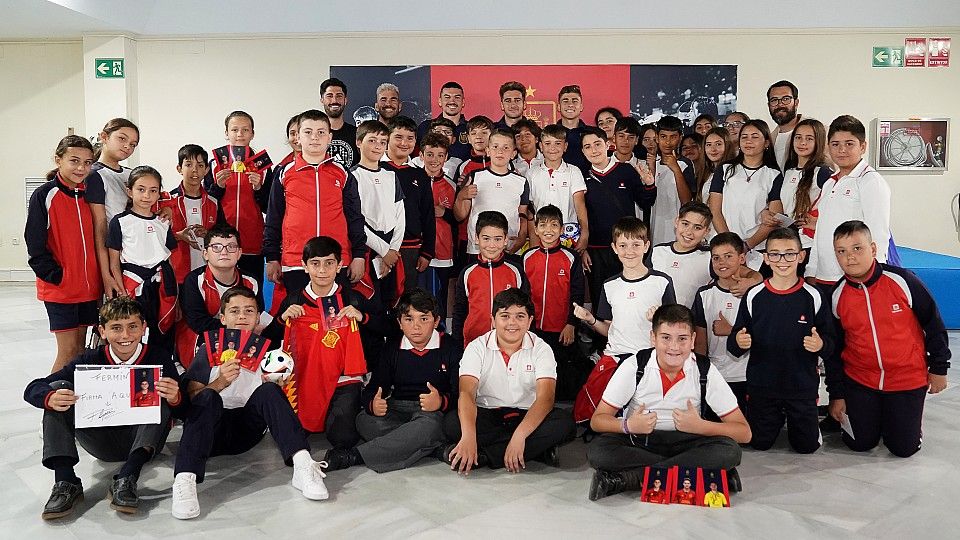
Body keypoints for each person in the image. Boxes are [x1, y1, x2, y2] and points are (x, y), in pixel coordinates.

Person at [172, 287, 329, 519]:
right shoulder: (208, 348)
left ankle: (303, 464)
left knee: (269, 391)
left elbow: (276, 394)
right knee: (208, 396)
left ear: (258, 318)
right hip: (210, 432)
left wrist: (281, 385)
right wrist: (221, 382)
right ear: (223, 318)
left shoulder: (267, 350)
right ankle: (185, 478)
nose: (242, 316)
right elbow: (191, 401)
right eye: (235, 311)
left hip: (247, 431)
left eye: (249, 311)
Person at [24, 297, 185, 518]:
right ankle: (65, 480)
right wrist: (49, 397)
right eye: (116, 328)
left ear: (144, 328)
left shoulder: (158, 358)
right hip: (98, 440)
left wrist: (176, 397)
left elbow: (183, 410)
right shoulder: (90, 359)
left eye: (133, 327)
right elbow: (33, 388)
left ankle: (127, 478)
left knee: (162, 395)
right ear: (102, 331)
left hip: (142, 442)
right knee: (57, 388)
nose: (125, 336)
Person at [585, 304, 751, 501]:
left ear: (693, 340)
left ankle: (630, 479)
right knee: (598, 451)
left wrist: (701, 426)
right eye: (666, 337)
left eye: (682, 339)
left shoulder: (705, 369)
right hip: (640, 442)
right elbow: (598, 420)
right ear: (653, 338)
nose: (674, 347)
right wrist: (628, 425)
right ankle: (701, 474)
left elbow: (744, 433)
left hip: (689, 441)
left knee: (729, 451)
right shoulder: (634, 366)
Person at [826, 220, 950, 458]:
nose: (849, 257)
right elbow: (835, 350)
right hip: (860, 380)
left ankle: (903, 425)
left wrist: (939, 368)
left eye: (857, 248)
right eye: (841, 251)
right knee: (859, 443)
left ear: (873, 249)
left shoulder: (903, 281)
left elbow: (933, 324)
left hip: (906, 379)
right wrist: (837, 394)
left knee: (904, 449)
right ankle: (872, 419)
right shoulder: (837, 294)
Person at [264, 236, 389, 444]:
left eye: (329, 263)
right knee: (292, 436)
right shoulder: (294, 300)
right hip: (303, 378)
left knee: (343, 438)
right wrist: (281, 319)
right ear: (304, 266)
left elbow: (388, 328)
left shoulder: (353, 298)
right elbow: (268, 341)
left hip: (344, 379)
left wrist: (362, 318)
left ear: (339, 265)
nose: (322, 270)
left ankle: (350, 408)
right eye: (315, 263)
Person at [325, 289, 462, 473]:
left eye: (424, 319)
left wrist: (441, 401)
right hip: (398, 409)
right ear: (399, 323)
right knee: (364, 420)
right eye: (409, 319)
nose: (416, 326)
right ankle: (432, 448)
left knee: (431, 425)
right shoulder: (392, 348)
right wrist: (373, 403)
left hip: (431, 413)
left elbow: (461, 394)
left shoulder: (451, 347)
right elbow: (373, 389)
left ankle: (355, 456)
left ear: (436, 321)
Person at [444, 288, 575, 473]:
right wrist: (468, 436)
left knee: (565, 424)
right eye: (505, 316)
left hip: (528, 415)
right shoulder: (476, 347)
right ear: (493, 320)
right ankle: (535, 451)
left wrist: (520, 436)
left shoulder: (542, 349)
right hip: (488, 414)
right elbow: (466, 393)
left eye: (520, 316)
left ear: (530, 321)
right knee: (452, 424)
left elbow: (545, 398)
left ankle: (485, 456)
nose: (512, 323)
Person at [728, 227, 833, 454]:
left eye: (789, 254)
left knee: (806, 447)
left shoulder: (814, 296)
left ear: (801, 256)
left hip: (801, 387)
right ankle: (773, 420)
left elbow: (831, 341)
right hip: (762, 388)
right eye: (774, 254)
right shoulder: (754, 296)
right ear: (766, 257)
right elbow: (733, 345)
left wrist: (821, 345)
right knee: (759, 443)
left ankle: (804, 423)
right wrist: (739, 341)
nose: (782, 260)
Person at [264, 109, 366, 294]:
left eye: (321, 132)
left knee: (336, 317)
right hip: (296, 262)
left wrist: (359, 256)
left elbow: (355, 217)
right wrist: (271, 258)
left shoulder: (343, 173)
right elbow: (273, 217)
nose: (314, 137)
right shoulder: (284, 173)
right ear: (298, 137)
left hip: (336, 262)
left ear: (329, 137)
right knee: (298, 317)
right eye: (308, 132)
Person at [26, 135, 102, 372]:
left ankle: (74, 406)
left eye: (88, 162)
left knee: (81, 351)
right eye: (74, 161)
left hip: (90, 288)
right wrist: (55, 275)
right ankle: (54, 404)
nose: (82, 168)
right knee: (67, 352)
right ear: (59, 160)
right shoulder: (45, 195)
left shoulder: (91, 194)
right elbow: (35, 242)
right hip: (62, 289)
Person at [574, 217, 675, 361]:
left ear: (646, 246)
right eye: (623, 245)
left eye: (636, 245)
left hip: (651, 357)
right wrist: (591, 319)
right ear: (614, 248)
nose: (629, 251)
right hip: (616, 355)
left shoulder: (662, 281)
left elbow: (674, 327)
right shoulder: (609, 285)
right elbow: (609, 329)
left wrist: (659, 320)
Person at [807, 115, 891, 286]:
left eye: (849, 144)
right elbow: (821, 229)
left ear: (863, 146)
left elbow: (878, 234)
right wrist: (811, 270)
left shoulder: (870, 181)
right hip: (824, 276)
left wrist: (874, 279)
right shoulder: (830, 182)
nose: (842, 150)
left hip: (855, 279)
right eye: (835, 144)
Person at [580, 127, 657, 309]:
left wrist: (649, 184)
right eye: (588, 147)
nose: (594, 150)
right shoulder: (581, 176)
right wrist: (583, 250)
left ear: (608, 144)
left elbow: (646, 203)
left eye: (597, 144)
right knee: (600, 298)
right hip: (595, 251)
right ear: (583, 151)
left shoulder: (626, 171)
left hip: (625, 248)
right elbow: (579, 214)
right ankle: (601, 337)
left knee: (627, 296)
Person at [106, 166, 179, 348]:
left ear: (159, 194)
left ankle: (161, 367)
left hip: (160, 283)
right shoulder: (120, 222)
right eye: (141, 189)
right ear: (129, 191)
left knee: (161, 329)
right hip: (133, 283)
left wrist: (174, 290)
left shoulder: (162, 222)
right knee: (131, 328)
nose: (146, 195)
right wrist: (121, 291)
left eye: (153, 190)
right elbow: (114, 262)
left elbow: (169, 258)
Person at [522, 204, 589, 400]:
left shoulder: (570, 258)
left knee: (563, 373)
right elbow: (523, 295)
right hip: (533, 328)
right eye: (542, 225)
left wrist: (571, 324)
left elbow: (577, 294)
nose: (548, 230)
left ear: (561, 229)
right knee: (535, 369)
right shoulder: (527, 257)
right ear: (535, 229)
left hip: (561, 329)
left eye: (553, 225)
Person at [692, 232, 761, 410]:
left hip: (748, 375)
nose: (721, 262)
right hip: (716, 375)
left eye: (728, 256)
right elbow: (700, 340)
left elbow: (765, 334)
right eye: (716, 258)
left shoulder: (756, 294)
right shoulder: (703, 294)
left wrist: (731, 330)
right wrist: (702, 373)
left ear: (742, 258)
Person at [203, 110, 272, 287]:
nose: (240, 134)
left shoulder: (263, 165)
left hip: (252, 240)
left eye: (245, 130)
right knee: (221, 291)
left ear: (252, 133)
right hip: (222, 242)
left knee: (252, 289)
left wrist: (258, 188)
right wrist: (218, 187)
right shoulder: (214, 164)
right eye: (234, 130)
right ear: (226, 133)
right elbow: (207, 204)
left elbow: (269, 207)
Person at [179, 224, 262, 367]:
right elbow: (197, 322)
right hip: (201, 339)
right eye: (216, 247)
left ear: (239, 253)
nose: (224, 252)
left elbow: (256, 317)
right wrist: (236, 326)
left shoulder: (251, 281)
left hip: (241, 336)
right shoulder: (194, 281)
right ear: (205, 253)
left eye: (231, 247)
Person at [707, 119, 784, 270]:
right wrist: (729, 245)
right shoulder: (725, 169)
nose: (748, 141)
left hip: (756, 249)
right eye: (744, 137)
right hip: (722, 247)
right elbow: (714, 210)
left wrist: (746, 245)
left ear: (766, 143)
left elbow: (774, 219)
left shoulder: (774, 175)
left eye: (755, 137)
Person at [453, 211, 529, 346]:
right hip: (474, 344)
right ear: (477, 238)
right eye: (486, 238)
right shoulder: (467, 273)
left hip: (509, 345)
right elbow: (460, 310)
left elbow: (527, 309)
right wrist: (457, 345)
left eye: (498, 239)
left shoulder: (516, 271)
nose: (492, 245)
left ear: (506, 240)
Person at [352, 120, 407, 304]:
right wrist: (383, 251)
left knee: (391, 303)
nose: (378, 146)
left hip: (392, 247)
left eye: (383, 142)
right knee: (370, 303)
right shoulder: (352, 177)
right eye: (372, 140)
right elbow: (355, 220)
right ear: (359, 142)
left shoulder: (391, 176)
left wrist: (393, 250)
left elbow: (400, 215)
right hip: (367, 246)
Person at [454, 127, 530, 255]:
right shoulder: (474, 177)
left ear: (513, 153)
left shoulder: (521, 181)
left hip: (509, 246)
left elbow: (522, 214)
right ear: (488, 151)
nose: (500, 151)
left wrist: (522, 237)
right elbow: (459, 216)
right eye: (495, 146)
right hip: (478, 248)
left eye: (506, 148)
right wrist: (461, 196)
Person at [86, 118, 140, 297]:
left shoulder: (130, 174)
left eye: (133, 144)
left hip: (134, 254)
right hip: (112, 257)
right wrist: (106, 273)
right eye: (122, 139)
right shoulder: (95, 175)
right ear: (104, 137)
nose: (127, 147)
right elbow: (100, 227)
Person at [382, 116, 437, 293]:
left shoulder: (420, 176)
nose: (404, 143)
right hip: (379, 248)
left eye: (410, 138)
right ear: (387, 138)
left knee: (407, 300)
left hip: (411, 249)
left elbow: (428, 216)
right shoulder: (374, 169)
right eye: (398, 137)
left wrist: (427, 252)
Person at [159, 144, 224, 284]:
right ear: (179, 169)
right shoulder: (167, 201)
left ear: (207, 170)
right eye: (188, 164)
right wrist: (178, 236)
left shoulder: (214, 202)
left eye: (200, 165)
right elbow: (156, 237)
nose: (195, 170)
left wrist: (208, 234)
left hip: (208, 273)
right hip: (177, 273)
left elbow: (222, 234)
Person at [525, 124, 589, 250]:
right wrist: (533, 239)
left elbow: (580, 206)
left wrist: (585, 234)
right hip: (542, 236)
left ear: (565, 147)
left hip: (568, 236)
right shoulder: (531, 173)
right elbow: (530, 210)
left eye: (558, 143)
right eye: (547, 143)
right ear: (541, 146)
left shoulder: (573, 171)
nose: (552, 148)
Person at [417, 133, 458, 328]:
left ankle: (440, 333)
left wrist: (445, 212)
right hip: (417, 250)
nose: (435, 160)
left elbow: (458, 218)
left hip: (442, 251)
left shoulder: (450, 184)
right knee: (418, 296)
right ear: (421, 155)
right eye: (430, 154)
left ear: (446, 157)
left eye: (440, 155)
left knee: (439, 297)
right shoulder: (412, 180)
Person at [779, 118, 833, 253]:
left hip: (811, 244)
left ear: (818, 142)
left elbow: (837, 209)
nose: (802, 143)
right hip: (788, 242)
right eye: (798, 137)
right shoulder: (788, 171)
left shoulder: (823, 172)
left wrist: (818, 223)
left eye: (809, 138)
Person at [649, 201, 713, 307]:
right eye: (685, 224)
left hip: (690, 321)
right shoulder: (658, 251)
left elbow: (742, 273)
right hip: (657, 320)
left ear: (706, 231)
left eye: (697, 227)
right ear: (676, 221)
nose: (689, 232)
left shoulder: (710, 257)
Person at [649, 116, 695, 244]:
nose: (668, 142)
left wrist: (676, 169)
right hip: (654, 229)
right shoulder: (652, 163)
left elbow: (686, 201)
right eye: (663, 137)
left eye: (673, 137)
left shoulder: (685, 164)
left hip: (677, 231)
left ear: (680, 138)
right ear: (657, 138)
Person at [417, 81, 470, 160]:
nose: (452, 101)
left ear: (463, 102)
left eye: (457, 97)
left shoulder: (470, 129)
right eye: (447, 97)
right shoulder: (425, 127)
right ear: (440, 102)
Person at [320, 77, 358, 167]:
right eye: (329, 96)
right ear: (322, 100)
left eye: (339, 96)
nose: (334, 101)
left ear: (345, 100)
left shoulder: (357, 134)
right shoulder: (316, 135)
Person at [767, 80, 803, 170]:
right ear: (768, 105)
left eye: (786, 99)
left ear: (796, 103)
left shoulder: (819, 132)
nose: (780, 104)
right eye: (774, 100)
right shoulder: (769, 139)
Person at [556, 84, 590, 172]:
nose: (570, 105)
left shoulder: (592, 134)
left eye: (575, 101)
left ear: (581, 107)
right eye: (565, 101)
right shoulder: (548, 134)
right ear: (558, 107)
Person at [696, 127, 734, 203]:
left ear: (727, 145)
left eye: (718, 144)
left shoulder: (733, 171)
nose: (713, 149)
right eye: (709, 145)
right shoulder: (705, 173)